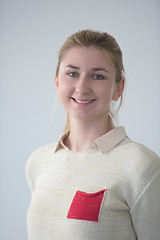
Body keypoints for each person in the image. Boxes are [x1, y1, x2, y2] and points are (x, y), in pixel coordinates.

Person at [26, 30, 160, 240]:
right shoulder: (39, 162)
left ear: (118, 88)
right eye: (72, 73)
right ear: (57, 81)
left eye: (97, 76)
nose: (82, 87)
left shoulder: (143, 167)